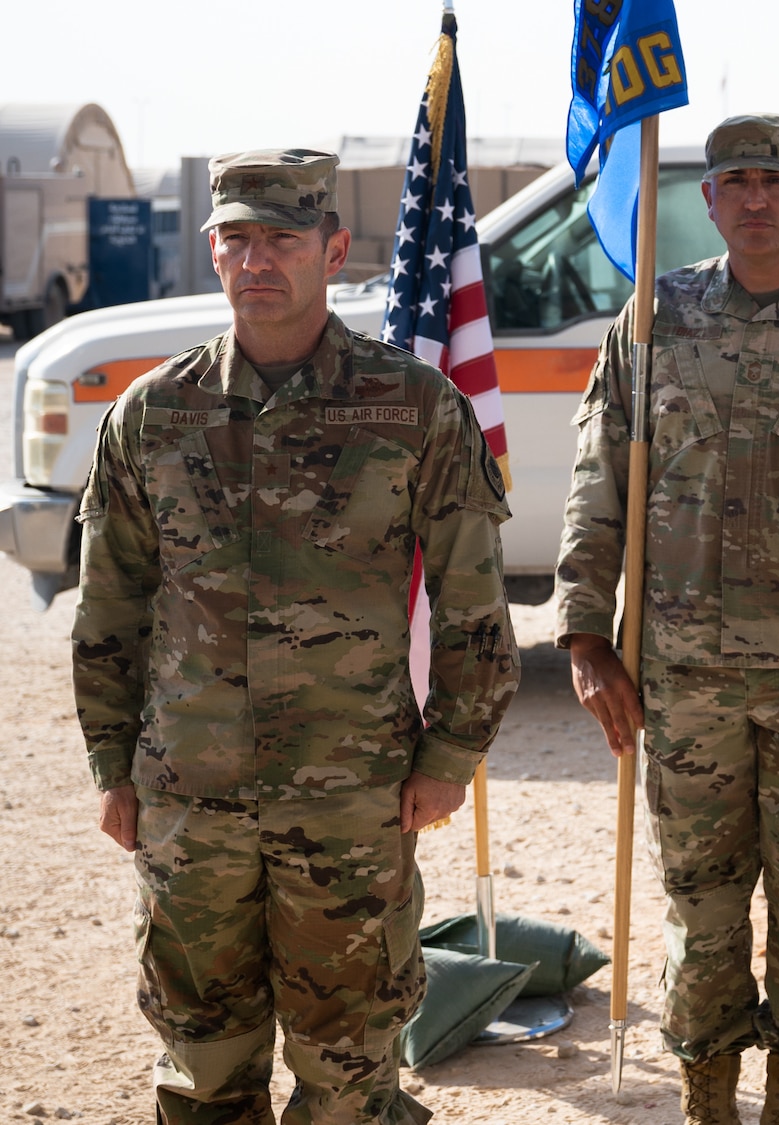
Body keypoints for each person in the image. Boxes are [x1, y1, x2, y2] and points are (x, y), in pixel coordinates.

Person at [74, 149, 517, 1125]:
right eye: (237, 237)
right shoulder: (154, 413)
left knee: (349, 1072)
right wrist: (112, 763)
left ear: (334, 247)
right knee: (201, 1073)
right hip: (192, 807)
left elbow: (472, 599)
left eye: (282, 238)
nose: (258, 258)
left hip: (351, 804)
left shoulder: (409, 408)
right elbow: (110, 602)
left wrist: (449, 754)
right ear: (213, 252)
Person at [556, 114, 779, 1125]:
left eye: (776, 180)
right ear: (705, 202)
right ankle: (708, 1103)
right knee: (700, 914)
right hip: (684, 677)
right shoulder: (652, 320)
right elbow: (599, 481)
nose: (755, 199)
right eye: (734, 182)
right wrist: (587, 633)